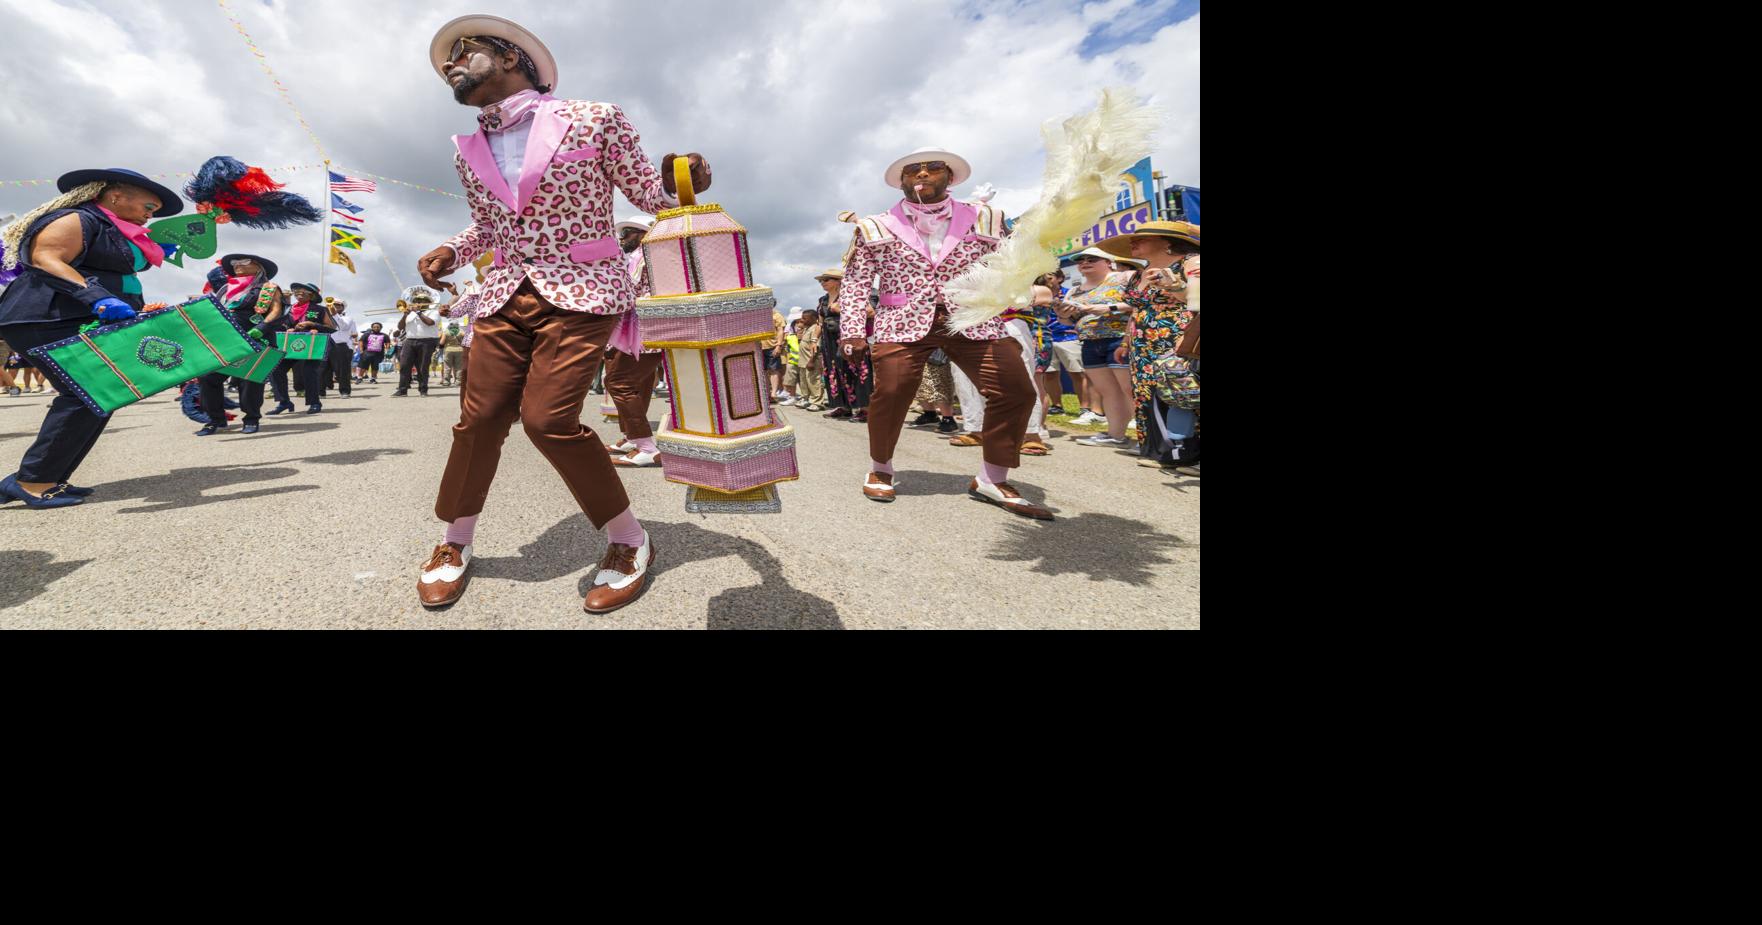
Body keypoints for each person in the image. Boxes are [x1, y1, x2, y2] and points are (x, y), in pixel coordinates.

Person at [413, 13, 710, 612]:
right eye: (446, 61)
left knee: (547, 421)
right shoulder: (467, 149)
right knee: (479, 419)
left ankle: (630, 538)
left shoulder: (595, 117)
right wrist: (452, 249)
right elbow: (488, 225)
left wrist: (684, 182)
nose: (449, 65)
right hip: (504, 292)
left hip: (584, 288)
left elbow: (649, 197)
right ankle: (455, 540)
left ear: (509, 56)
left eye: (463, 51)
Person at [839, 147, 1049, 519]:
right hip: (901, 320)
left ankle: (992, 477)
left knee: (1016, 389)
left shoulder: (987, 218)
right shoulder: (875, 226)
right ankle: (881, 467)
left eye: (933, 167)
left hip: (971, 317)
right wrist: (852, 331)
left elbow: (1008, 264)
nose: (922, 174)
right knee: (892, 391)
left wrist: (1014, 291)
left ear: (950, 177)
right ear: (901, 182)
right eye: (912, 170)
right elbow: (856, 282)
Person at [0, 168, 184, 507]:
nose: (150, 215)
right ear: (115, 196)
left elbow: (111, 266)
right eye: (148, 206)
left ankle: (46, 477)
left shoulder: (114, 229)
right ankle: (33, 480)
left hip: (70, 317)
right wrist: (97, 298)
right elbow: (45, 258)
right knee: (87, 392)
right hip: (44, 315)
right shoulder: (77, 217)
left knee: (98, 395)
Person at [1099, 220, 1200, 474]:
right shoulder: (1139, 272)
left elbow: (1196, 298)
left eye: (1141, 238)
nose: (1133, 242)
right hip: (1143, 342)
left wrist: (1174, 286)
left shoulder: (1190, 262)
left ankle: (1190, 454)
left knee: (1184, 391)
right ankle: (1162, 451)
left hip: (1178, 337)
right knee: (1147, 392)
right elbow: (1136, 309)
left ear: (1166, 242)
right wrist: (1126, 341)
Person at [195, 254, 285, 434]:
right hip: (225, 340)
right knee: (208, 377)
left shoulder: (268, 288)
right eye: (234, 263)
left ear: (259, 267)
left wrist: (261, 327)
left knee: (250, 380)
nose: (237, 265)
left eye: (243, 262)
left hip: (255, 338)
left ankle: (251, 418)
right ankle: (216, 419)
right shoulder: (225, 288)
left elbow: (276, 310)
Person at [1057, 247, 1135, 448]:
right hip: (1090, 342)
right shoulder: (1074, 291)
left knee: (1131, 390)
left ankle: (1149, 439)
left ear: (1108, 262)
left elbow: (1141, 303)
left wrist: (1108, 308)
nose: (1085, 262)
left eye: (1092, 259)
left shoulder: (1125, 277)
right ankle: (1116, 436)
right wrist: (1063, 315)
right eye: (1081, 260)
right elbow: (1068, 321)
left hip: (1121, 340)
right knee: (1108, 392)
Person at [604, 217, 667, 467]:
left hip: (641, 329)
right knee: (639, 383)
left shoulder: (644, 256)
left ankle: (647, 448)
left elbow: (627, 291)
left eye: (627, 233)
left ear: (643, 234)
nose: (622, 239)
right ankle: (633, 438)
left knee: (618, 382)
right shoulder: (646, 256)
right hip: (646, 329)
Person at [815, 268, 871, 421]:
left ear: (838, 281)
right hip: (829, 340)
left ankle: (865, 409)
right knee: (834, 371)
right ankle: (843, 406)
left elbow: (870, 312)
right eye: (821, 280)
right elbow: (819, 322)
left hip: (849, 337)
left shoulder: (851, 295)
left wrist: (842, 310)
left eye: (826, 279)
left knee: (855, 370)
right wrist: (814, 340)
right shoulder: (823, 300)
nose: (822, 283)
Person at [1031, 270, 1083, 419]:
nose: (1046, 278)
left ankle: (1086, 407)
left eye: (1050, 276)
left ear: (1060, 278)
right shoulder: (1033, 292)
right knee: (1048, 375)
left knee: (1077, 373)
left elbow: (1078, 313)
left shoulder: (1067, 293)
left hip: (1064, 337)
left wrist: (1074, 326)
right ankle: (1056, 405)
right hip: (1042, 337)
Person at [284, 284, 337, 414]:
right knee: (277, 369)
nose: (299, 292)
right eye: (297, 290)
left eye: (304, 291)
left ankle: (314, 403)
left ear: (312, 295)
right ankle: (284, 402)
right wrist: (290, 329)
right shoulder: (288, 309)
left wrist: (313, 325)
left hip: (314, 344)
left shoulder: (320, 309)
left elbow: (332, 328)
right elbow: (284, 325)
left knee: (309, 372)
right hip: (294, 344)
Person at [393, 287, 442, 396]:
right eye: (417, 301)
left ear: (428, 303)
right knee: (404, 365)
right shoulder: (410, 313)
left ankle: (423, 389)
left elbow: (429, 323)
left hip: (427, 342)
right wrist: (405, 315)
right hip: (409, 341)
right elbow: (400, 327)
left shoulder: (433, 312)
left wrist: (419, 312)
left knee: (422, 367)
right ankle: (402, 389)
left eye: (423, 301)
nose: (419, 303)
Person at [794, 308, 826, 411]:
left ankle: (817, 402)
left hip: (811, 360)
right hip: (803, 361)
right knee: (804, 382)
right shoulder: (807, 328)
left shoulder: (815, 329)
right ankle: (806, 398)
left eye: (805, 318)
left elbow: (816, 346)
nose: (802, 320)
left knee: (814, 382)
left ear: (813, 318)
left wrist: (812, 361)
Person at [325, 298, 358, 398]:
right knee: (322, 369)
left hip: (340, 345)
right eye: (333, 304)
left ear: (343, 308)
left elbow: (343, 327)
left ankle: (344, 391)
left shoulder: (348, 318)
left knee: (342, 370)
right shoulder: (325, 316)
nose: (335, 306)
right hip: (325, 343)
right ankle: (321, 391)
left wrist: (334, 314)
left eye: (338, 305)